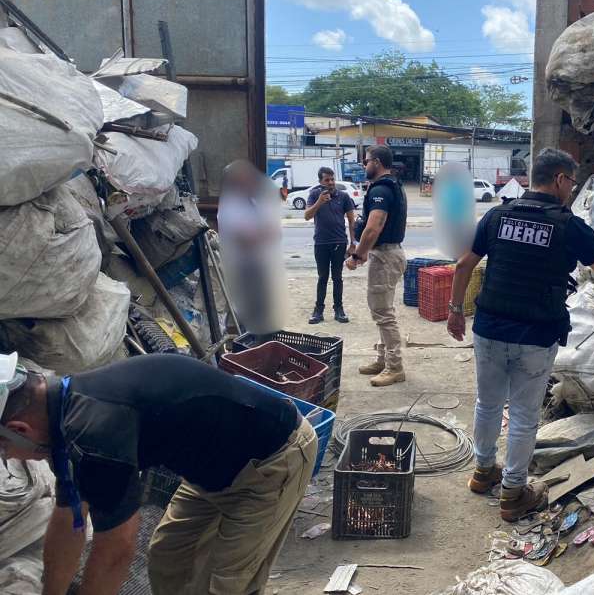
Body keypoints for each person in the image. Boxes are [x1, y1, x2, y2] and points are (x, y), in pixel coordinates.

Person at [447, 148, 594, 522]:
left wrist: (455, 311)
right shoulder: (568, 226)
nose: (571, 189)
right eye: (571, 182)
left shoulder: (497, 216)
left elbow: (463, 265)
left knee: (487, 403)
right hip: (535, 334)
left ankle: (482, 472)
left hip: (489, 328)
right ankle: (513, 493)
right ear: (559, 179)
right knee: (523, 415)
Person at [0, 352, 317, 595]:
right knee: (170, 559)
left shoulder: (95, 436)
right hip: (213, 469)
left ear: (19, 429)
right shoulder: (61, 419)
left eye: (3, 449)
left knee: (224, 583)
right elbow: (69, 519)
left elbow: (115, 551)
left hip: (271, 461)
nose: (8, 457)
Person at [346, 145, 408, 387]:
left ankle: (395, 367)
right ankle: (383, 360)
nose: (364, 165)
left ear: (377, 162)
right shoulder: (393, 185)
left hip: (385, 256)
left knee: (383, 314)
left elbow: (374, 227)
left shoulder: (381, 189)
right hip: (388, 254)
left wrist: (357, 255)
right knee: (383, 311)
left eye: (366, 161)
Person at [217, 160, 285, 336]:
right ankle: (247, 344)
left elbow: (275, 233)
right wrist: (263, 234)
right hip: (242, 267)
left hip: (259, 264)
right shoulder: (230, 205)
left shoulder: (254, 202)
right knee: (244, 313)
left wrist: (261, 234)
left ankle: (262, 341)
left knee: (263, 310)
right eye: (244, 179)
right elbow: (246, 240)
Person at [304, 166, 356, 324]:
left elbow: (352, 221)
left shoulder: (344, 196)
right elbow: (307, 216)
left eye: (332, 179)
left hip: (339, 242)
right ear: (320, 181)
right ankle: (318, 311)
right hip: (321, 243)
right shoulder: (314, 195)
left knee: (337, 277)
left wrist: (353, 243)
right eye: (327, 180)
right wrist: (319, 202)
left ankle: (339, 310)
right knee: (322, 277)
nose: (331, 182)